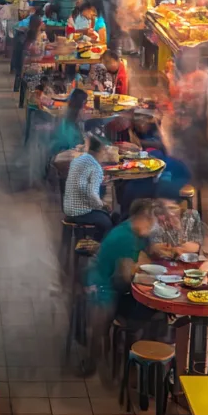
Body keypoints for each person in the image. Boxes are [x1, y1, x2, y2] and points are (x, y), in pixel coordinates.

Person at [84, 199, 159, 373]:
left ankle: (133, 354)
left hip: (113, 283)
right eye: (152, 220)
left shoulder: (134, 230)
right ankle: (98, 361)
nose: (154, 224)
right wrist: (149, 278)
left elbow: (151, 251)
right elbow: (125, 277)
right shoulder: (125, 238)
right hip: (102, 285)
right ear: (142, 218)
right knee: (107, 320)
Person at [63, 135, 115, 237]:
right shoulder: (96, 167)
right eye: (104, 151)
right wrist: (102, 205)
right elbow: (92, 194)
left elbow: (83, 188)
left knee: (103, 213)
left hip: (68, 210)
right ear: (99, 151)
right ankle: (98, 249)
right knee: (108, 222)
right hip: (81, 213)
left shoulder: (77, 160)